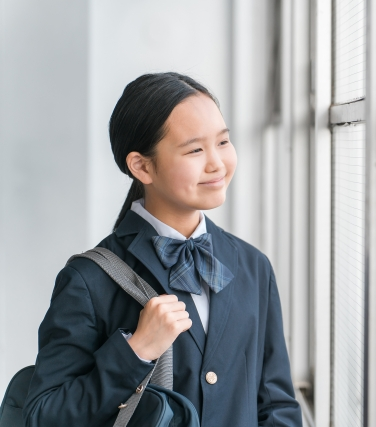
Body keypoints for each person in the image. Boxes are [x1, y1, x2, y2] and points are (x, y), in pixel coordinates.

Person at [23, 72, 303, 427]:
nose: (217, 163)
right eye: (195, 150)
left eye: (222, 142)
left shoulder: (252, 265)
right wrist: (136, 351)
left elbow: (277, 405)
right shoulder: (88, 280)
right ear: (142, 165)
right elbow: (43, 416)